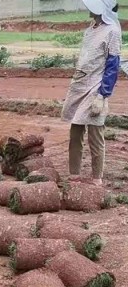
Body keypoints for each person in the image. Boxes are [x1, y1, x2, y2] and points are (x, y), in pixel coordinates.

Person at [62, 0, 121, 186]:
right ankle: (74, 175)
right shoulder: (91, 29)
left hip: (96, 87)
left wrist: (103, 95)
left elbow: (113, 66)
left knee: (95, 132)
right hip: (80, 84)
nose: (89, 10)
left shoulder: (112, 31)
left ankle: (97, 179)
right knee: (75, 131)